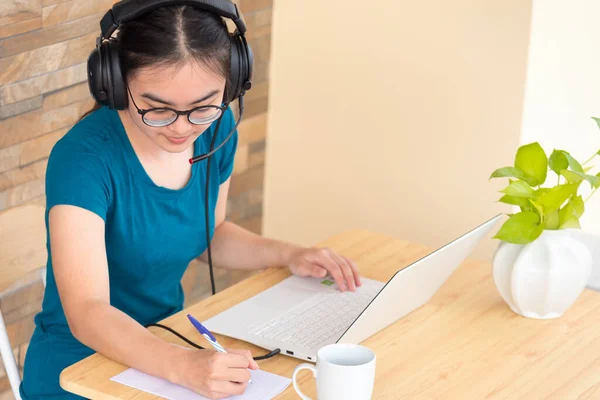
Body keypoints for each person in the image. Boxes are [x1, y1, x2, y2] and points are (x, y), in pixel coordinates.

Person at [19, 2, 362, 399]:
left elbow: (210, 234)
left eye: (202, 107)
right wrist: (183, 367)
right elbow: (87, 312)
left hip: (166, 348)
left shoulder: (217, 131)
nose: (183, 128)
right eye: (158, 109)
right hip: (80, 367)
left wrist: (290, 253)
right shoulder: (83, 159)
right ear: (115, 83)